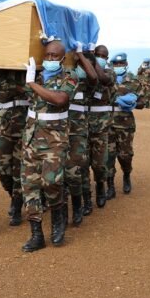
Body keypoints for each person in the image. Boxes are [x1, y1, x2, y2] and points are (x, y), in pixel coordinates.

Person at [20, 38, 78, 252]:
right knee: (30, 185)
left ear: (63, 58)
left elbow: (60, 99)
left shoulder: (69, 76)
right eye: (47, 55)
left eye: (55, 56)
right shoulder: (36, 73)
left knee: (51, 181)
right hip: (32, 136)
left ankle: (58, 218)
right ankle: (36, 234)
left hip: (55, 138)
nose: (51, 59)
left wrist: (32, 83)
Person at [65, 43, 98, 226]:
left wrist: (79, 54)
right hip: (58, 126)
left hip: (78, 127)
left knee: (78, 167)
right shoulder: (63, 76)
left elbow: (93, 76)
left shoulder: (85, 81)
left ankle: (81, 202)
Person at [0, 66, 29, 226]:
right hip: (5, 125)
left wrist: (19, 86)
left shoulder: (32, 71)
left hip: (26, 124)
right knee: (1, 167)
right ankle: (14, 195)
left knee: (19, 169)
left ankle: (16, 205)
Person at [84, 44, 114, 212]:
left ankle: (100, 186)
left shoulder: (110, 72)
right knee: (81, 163)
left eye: (103, 56)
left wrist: (93, 60)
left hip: (101, 126)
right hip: (82, 124)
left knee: (99, 163)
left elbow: (102, 79)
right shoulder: (84, 70)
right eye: (97, 54)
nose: (100, 57)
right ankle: (86, 197)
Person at [108, 53, 142, 196]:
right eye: (116, 64)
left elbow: (142, 103)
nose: (118, 67)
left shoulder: (133, 81)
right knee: (108, 156)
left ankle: (126, 175)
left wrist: (133, 101)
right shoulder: (107, 80)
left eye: (121, 64)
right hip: (108, 123)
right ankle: (110, 185)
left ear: (126, 64)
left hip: (125, 124)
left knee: (125, 155)